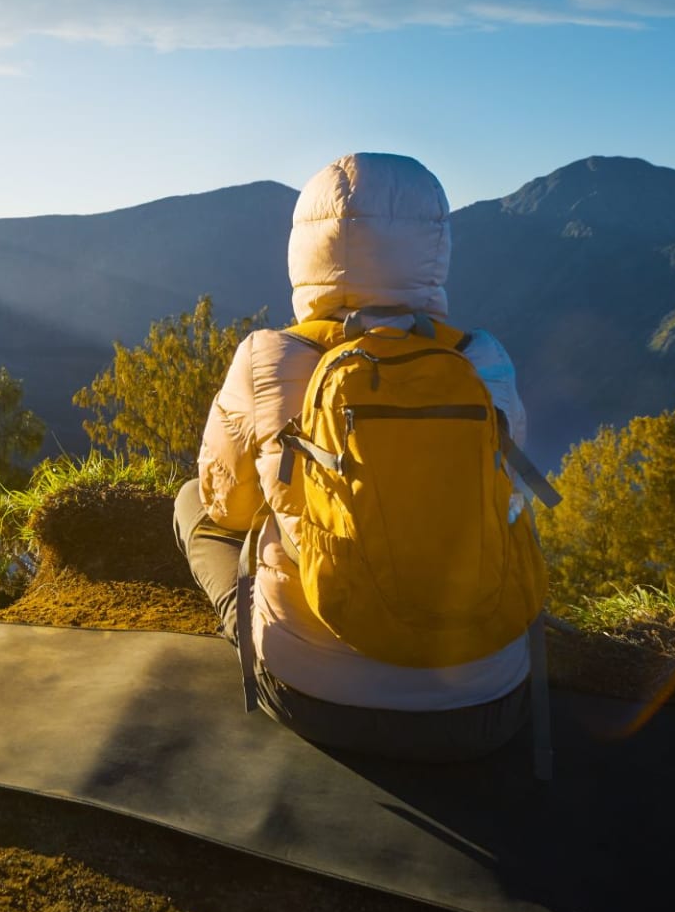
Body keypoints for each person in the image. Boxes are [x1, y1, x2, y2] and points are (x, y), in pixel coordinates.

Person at [173, 152, 534, 761]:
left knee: (194, 504)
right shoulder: (481, 359)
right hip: (490, 698)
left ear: (308, 247)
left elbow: (229, 506)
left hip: (318, 695)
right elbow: (512, 503)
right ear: (434, 245)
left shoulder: (272, 355)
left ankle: (246, 625)